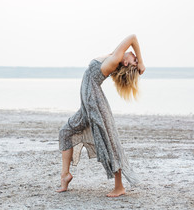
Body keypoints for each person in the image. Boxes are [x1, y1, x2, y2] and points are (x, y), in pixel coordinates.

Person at [56, 34, 146, 197]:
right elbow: (129, 42)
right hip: (88, 104)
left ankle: (119, 187)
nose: (134, 56)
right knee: (65, 132)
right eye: (135, 58)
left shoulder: (116, 59)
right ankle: (65, 176)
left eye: (134, 59)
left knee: (108, 142)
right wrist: (138, 61)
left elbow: (132, 38)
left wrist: (141, 61)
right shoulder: (114, 56)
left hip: (94, 104)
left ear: (125, 62)